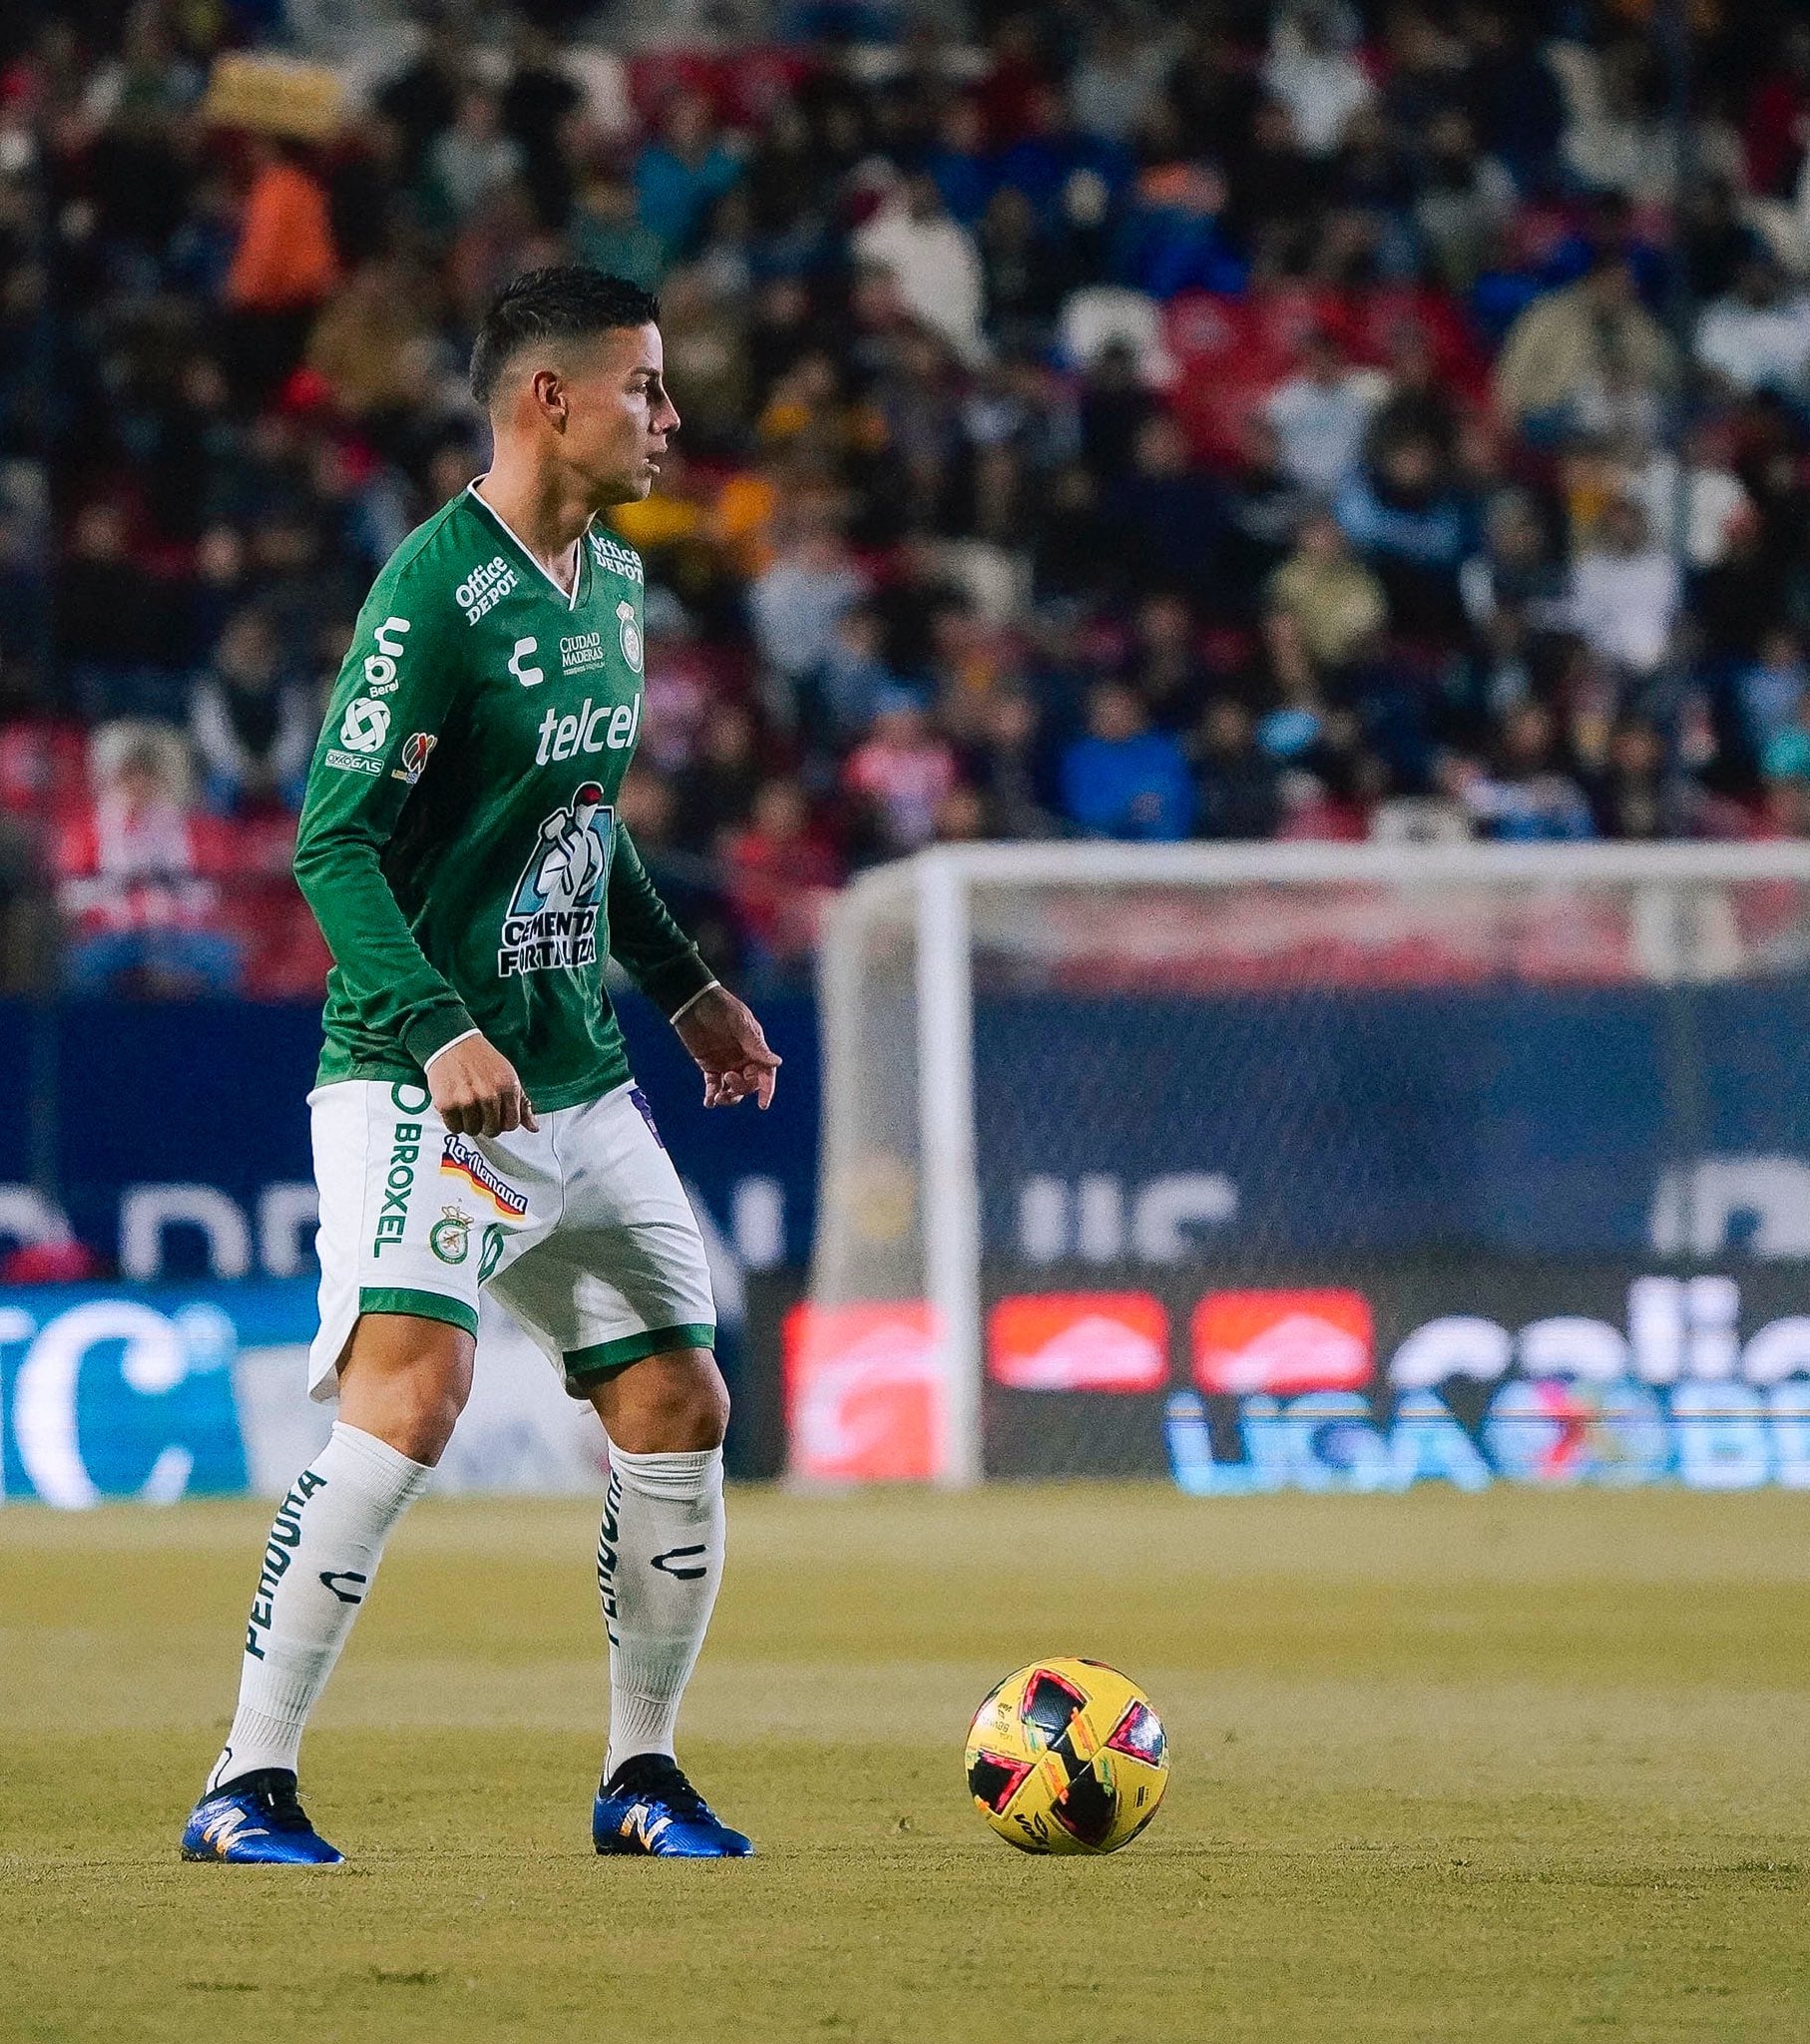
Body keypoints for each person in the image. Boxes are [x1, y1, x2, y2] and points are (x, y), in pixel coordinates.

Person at [182, 268, 779, 1868]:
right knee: (414, 1393)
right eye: (644, 388)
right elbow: (333, 844)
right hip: (416, 1078)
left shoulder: (612, 583)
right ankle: (243, 1782)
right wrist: (441, 1027)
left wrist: (686, 988)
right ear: (547, 401)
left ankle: (640, 1778)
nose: (670, 418)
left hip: (574, 1072)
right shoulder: (432, 596)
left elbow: (582, 822)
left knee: (675, 1397)